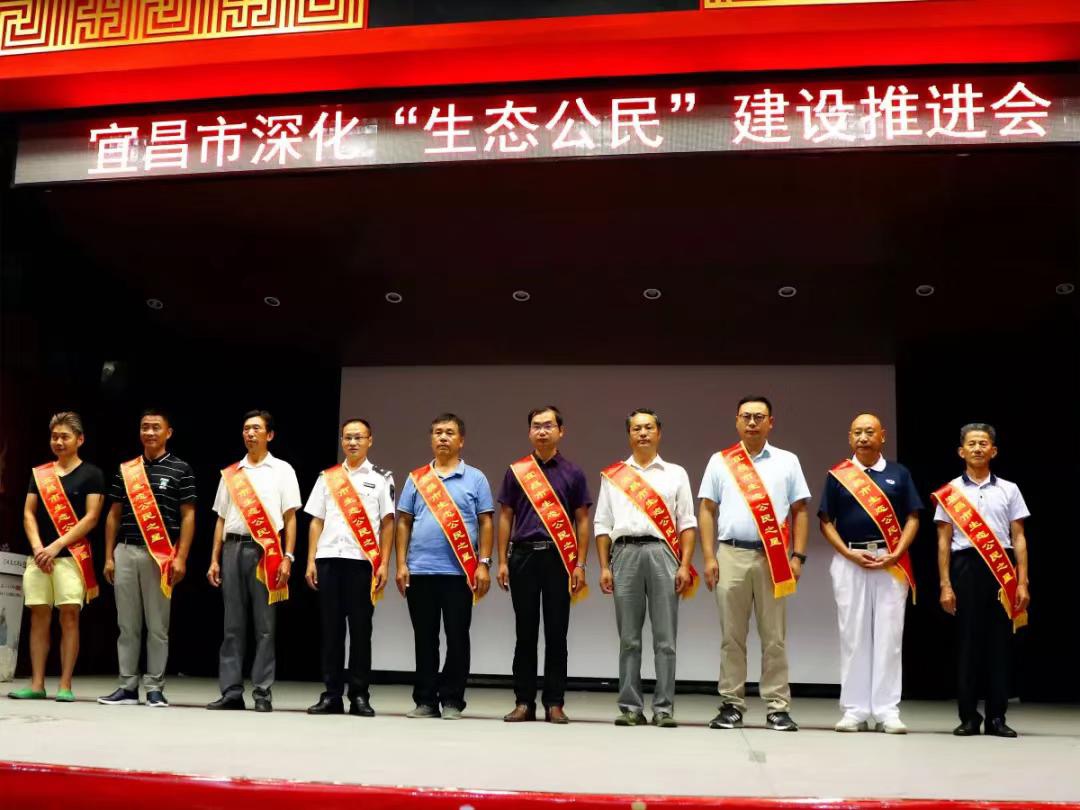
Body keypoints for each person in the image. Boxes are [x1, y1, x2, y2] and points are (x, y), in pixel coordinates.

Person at [698, 396, 810, 732]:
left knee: (774, 637)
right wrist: (708, 557)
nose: (752, 422)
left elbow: (800, 510)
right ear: (736, 420)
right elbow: (707, 509)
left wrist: (798, 556)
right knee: (731, 636)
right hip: (730, 554)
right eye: (746, 416)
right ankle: (732, 704)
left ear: (770, 422)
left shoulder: (787, 461)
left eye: (759, 417)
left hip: (773, 557)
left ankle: (777, 707)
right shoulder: (720, 461)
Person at [818, 413, 920, 733]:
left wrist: (897, 552)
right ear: (850, 438)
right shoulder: (839, 475)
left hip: (891, 561)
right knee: (853, 636)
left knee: (889, 637)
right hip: (850, 559)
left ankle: (888, 711)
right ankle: (855, 710)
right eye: (857, 432)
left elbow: (913, 517)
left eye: (869, 432)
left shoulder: (899, 474)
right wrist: (847, 552)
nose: (863, 437)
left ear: (882, 436)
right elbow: (825, 521)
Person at [594, 408, 697, 728]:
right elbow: (602, 524)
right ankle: (630, 707)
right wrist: (604, 567)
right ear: (629, 434)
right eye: (636, 428)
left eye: (648, 427)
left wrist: (685, 564)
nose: (643, 433)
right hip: (624, 554)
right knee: (629, 639)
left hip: (663, 553)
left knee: (665, 639)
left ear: (659, 433)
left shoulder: (675, 473)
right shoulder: (614, 475)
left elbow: (686, 523)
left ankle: (664, 708)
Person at [395, 413, 494, 720]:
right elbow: (404, 522)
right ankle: (425, 700)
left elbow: (486, 522)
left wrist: (483, 563)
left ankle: (452, 700)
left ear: (461, 440)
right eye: (438, 432)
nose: (443, 437)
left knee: (457, 637)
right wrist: (401, 563)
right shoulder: (417, 478)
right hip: (420, 570)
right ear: (431, 439)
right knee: (424, 639)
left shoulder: (476, 478)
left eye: (450, 432)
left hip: (460, 573)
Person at [934, 422, 1030, 738]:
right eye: (972, 443)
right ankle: (968, 717)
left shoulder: (1010, 489)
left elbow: (1019, 537)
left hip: (1001, 569)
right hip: (965, 567)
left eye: (983, 443)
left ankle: (997, 717)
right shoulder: (950, 491)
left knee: (1000, 645)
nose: (977, 448)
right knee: (968, 644)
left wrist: (1023, 581)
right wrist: (945, 584)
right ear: (961, 451)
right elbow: (943, 541)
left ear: (994, 450)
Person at [496, 406, 591, 724]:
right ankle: (524, 702)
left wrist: (580, 563)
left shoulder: (573, 472)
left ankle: (554, 702)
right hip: (522, 556)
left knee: (556, 633)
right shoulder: (517, 471)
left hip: (558, 558)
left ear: (561, 431)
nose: (542, 431)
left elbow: (582, 520)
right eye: (536, 426)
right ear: (529, 432)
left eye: (548, 425)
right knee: (524, 633)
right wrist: (502, 560)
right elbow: (506, 516)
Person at [98, 409, 197, 709]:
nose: (150, 432)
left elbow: (188, 516)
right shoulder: (126, 469)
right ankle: (127, 687)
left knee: (157, 626)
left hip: (161, 555)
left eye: (156, 427)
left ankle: (155, 688)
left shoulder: (181, 469)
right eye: (145, 427)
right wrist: (109, 557)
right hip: (126, 551)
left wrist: (181, 557)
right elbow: (113, 515)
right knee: (127, 625)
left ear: (168, 432)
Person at [206, 410, 301, 712]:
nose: (250, 433)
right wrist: (214, 559)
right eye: (246, 428)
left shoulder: (283, 470)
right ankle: (231, 691)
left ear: (269, 435)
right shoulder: (232, 473)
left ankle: (262, 692)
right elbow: (221, 519)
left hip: (267, 551)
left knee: (265, 627)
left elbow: (290, 517)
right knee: (232, 625)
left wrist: (288, 556)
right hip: (232, 548)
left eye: (256, 428)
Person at [8, 412, 104, 702]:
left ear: (80, 439)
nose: (59, 442)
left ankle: (65, 684)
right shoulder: (40, 474)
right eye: (54, 436)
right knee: (38, 617)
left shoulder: (92, 474)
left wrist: (55, 546)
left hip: (70, 557)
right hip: (39, 558)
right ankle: (37, 684)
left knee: (69, 616)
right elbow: (28, 513)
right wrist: (39, 547)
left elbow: (91, 518)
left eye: (65, 436)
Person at [303, 418, 395, 717]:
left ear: (370, 440)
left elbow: (388, 523)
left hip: (361, 563)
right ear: (342, 441)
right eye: (347, 437)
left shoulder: (382, 478)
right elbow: (316, 520)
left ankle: (359, 695)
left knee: (360, 631)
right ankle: (331, 695)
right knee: (331, 632)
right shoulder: (327, 477)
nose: (353, 442)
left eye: (358, 437)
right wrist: (311, 559)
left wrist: (384, 562)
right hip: (329, 559)